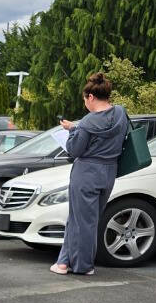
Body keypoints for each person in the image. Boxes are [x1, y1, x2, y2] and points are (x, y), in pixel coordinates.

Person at [52, 72, 130, 275]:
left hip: (86, 172)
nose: (85, 104)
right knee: (84, 219)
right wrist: (76, 127)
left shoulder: (87, 121)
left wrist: (72, 132)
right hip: (109, 171)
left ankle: (83, 266)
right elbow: (103, 130)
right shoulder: (120, 113)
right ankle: (62, 262)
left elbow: (75, 149)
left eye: (85, 100)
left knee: (81, 221)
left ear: (91, 97)